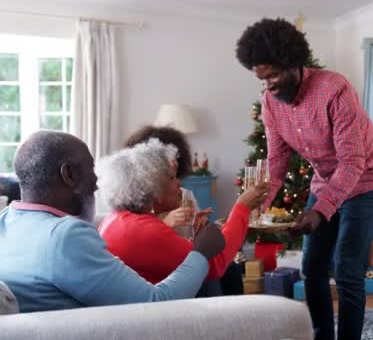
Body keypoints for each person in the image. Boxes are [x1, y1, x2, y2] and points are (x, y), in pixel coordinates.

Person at [236, 18, 373, 340]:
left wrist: (320, 211)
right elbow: (277, 162)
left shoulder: (334, 89)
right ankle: (322, 335)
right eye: (262, 79)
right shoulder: (270, 103)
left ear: (294, 63)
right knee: (312, 269)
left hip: (366, 180)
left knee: (347, 270)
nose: (269, 86)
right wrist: (255, 208)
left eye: (274, 75)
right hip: (325, 183)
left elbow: (352, 162)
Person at [0, 131, 225, 312]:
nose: (97, 182)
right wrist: (201, 252)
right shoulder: (66, 236)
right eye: (91, 168)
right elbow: (154, 305)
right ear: (68, 174)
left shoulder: (6, 221)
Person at [98, 139, 270, 287]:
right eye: (172, 178)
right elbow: (215, 265)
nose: (179, 184)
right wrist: (242, 207)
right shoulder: (146, 231)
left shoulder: (114, 220)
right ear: (152, 187)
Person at [123, 125, 247, 295]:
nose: (178, 183)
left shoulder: (184, 195)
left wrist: (198, 227)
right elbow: (212, 264)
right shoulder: (135, 208)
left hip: (186, 255)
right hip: (171, 269)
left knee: (231, 270)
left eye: (175, 172)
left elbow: (195, 242)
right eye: (169, 175)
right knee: (211, 276)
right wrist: (164, 223)